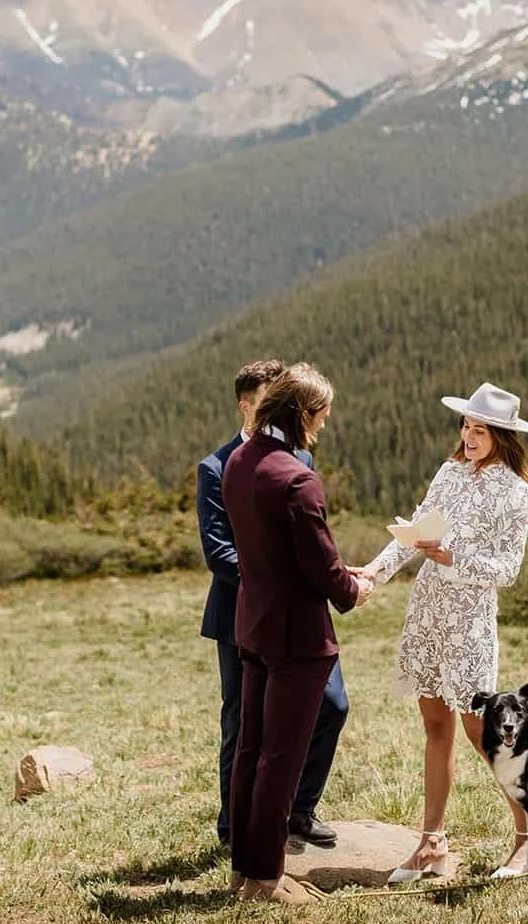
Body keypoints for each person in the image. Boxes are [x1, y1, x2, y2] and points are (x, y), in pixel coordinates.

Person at [351, 381, 528, 882]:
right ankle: (431, 842)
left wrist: (453, 557)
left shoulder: (515, 491)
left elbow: (508, 569)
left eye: (481, 430)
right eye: (466, 426)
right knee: (435, 726)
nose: (469, 436)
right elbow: (415, 533)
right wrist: (372, 573)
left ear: (502, 436)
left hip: (470, 621)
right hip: (428, 613)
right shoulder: (449, 472)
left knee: (484, 733)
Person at [222, 363, 373, 904]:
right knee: (282, 759)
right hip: (297, 639)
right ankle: (267, 879)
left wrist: (332, 570)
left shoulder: (239, 461)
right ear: (303, 413)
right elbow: (320, 565)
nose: (324, 426)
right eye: (322, 416)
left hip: (254, 626)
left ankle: (242, 870)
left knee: (251, 750)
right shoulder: (296, 478)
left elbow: (280, 552)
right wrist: (353, 588)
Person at [197, 359, 347, 850]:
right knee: (244, 723)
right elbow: (219, 551)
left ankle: (298, 810)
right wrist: (273, 578)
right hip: (241, 615)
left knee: (333, 706)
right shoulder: (217, 466)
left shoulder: (300, 460)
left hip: (298, 617)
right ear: (247, 406)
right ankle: (234, 828)